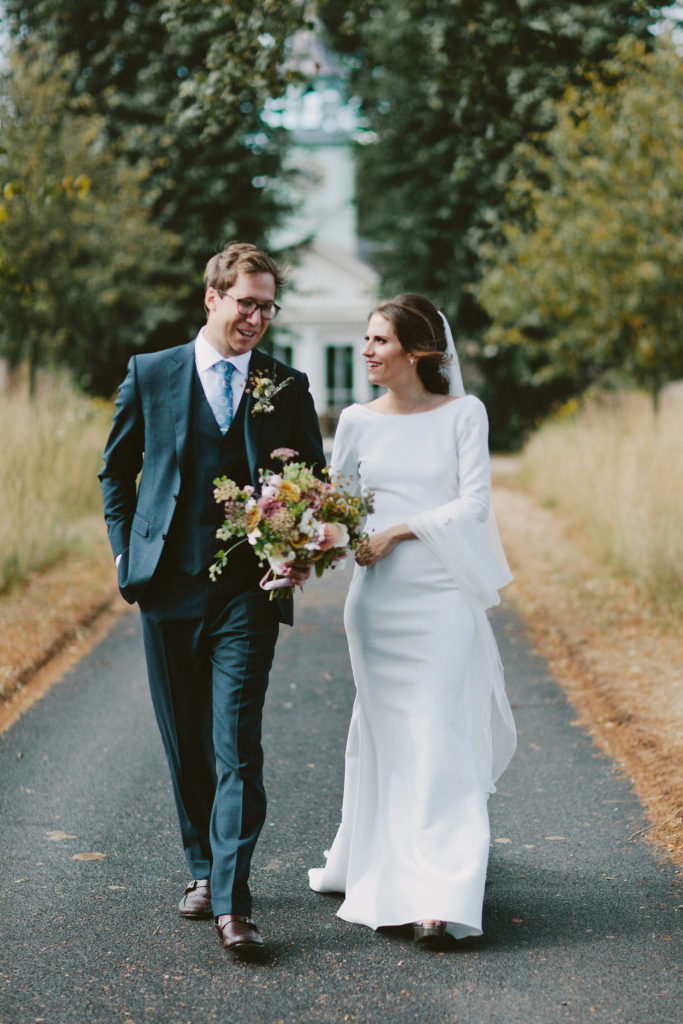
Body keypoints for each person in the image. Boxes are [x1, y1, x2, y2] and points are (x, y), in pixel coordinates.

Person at [100, 242, 324, 958]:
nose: (257, 318)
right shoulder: (152, 373)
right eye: (245, 303)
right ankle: (202, 866)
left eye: (267, 306)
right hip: (165, 588)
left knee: (237, 746)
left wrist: (298, 551)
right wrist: (123, 551)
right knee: (185, 741)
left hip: (246, 598)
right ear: (212, 298)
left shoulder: (285, 387)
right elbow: (116, 473)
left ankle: (232, 900)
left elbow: (311, 487)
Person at [308, 294, 516, 945]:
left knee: (438, 731)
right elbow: (334, 504)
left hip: (440, 596)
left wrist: (398, 528)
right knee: (391, 735)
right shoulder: (355, 421)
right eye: (366, 340)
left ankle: (440, 890)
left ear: (416, 351)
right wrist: (300, 532)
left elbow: (474, 505)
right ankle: (391, 868)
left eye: (378, 341)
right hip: (376, 605)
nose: (366, 350)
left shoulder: (462, 413)